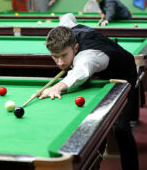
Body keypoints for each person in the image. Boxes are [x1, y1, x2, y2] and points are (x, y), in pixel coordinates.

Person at [38, 13, 139, 170]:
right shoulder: (67, 29)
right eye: (54, 56)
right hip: (101, 73)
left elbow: (80, 72)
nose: (60, 62)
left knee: (120, 127)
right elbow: (67, 16)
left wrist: (57, 87)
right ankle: (94, 159)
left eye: (64, 55)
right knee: (95, 120)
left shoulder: (88, 57)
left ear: (76, 47)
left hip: (123, 73)